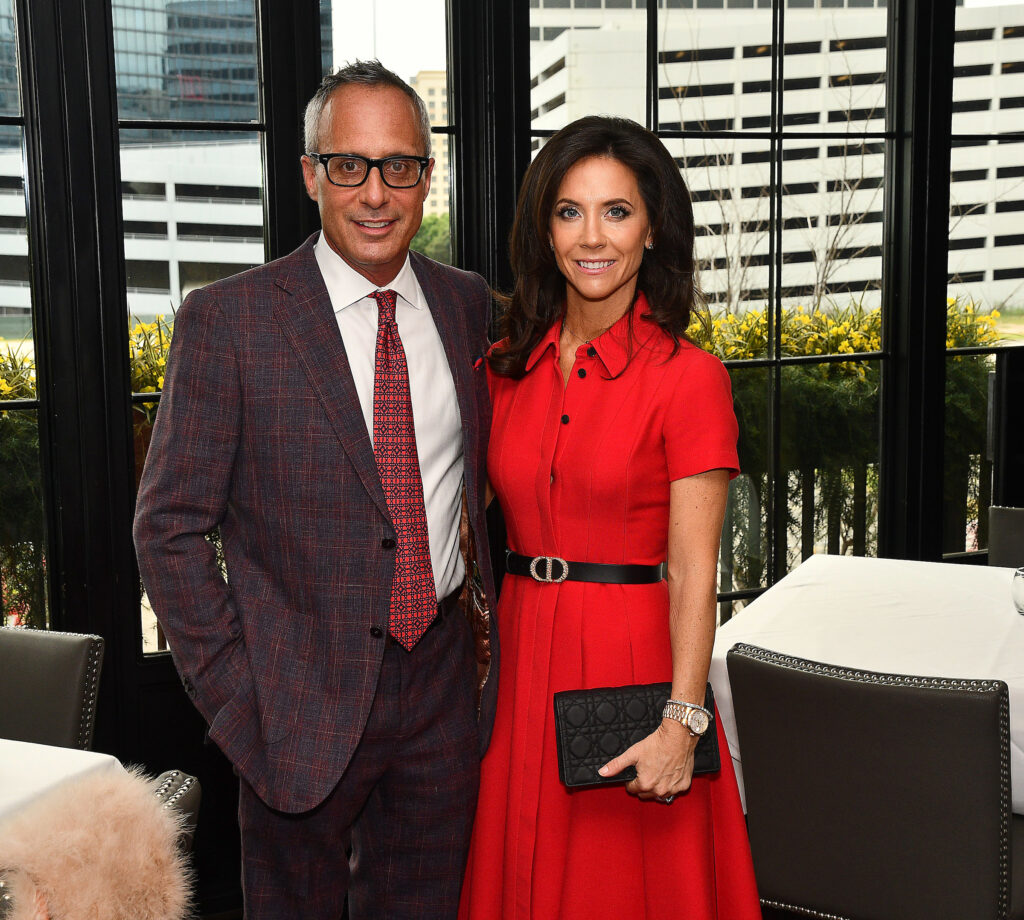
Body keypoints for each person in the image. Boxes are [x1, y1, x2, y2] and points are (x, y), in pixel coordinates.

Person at [134, 60, 498, 920]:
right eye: (349, 164)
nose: (375, 193)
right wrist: (236, 698)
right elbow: (169, 528)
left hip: (443, 688)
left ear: (425, 175)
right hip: (292, 703)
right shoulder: (229, 321)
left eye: (398, 165)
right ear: (310, 173)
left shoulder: (468, 305)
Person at [458, 115, 761, 920]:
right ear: (543, 228)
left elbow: (697, 571)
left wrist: (683, 722)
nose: (593, 237)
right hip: (522, 663)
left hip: (632, 664)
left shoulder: (689, 379)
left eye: (617, 212)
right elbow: (451, 517)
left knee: (619, 888)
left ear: (652, 227)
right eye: (569, 211)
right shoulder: (502, 368)